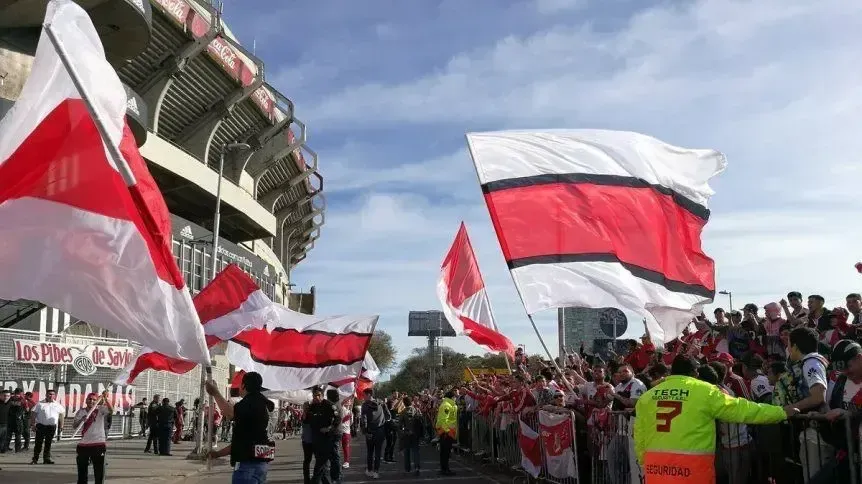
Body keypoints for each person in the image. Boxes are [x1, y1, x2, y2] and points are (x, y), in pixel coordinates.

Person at [633, 355, 798, 483]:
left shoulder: (647, 397)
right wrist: (780, 412)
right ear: (694, 373)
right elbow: (743, 409)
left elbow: (639, 435)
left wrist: (644, 464)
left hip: (656, 469)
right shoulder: (705, 391)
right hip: (693, 470)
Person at [206, 372, 274, 483]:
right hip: (260, 464)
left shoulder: (250, 402)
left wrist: (215, 392)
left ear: (243, 386)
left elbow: (230, 413)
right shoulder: (263, 403)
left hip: (247, 467)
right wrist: (218, 454)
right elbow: (244, 442)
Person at [74, 391, 113, 484]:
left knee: (99, 470)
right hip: (84, 444)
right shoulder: (81, 411)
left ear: (97, 401)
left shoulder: (100, 410)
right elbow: (75, 425)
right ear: (86, 400)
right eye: (90, 399)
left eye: (94, 400)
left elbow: (111, 410)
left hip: (98, 443)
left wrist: (106, 399)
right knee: (82, 470)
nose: (91, 401)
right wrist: (81, 420)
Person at [360, 388, 390, 478]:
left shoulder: (365, 405)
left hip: (370, 431)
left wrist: (365, 431)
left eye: (364, 395)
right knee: (378, 452)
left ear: (369, 395)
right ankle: (376, 472)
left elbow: (363, 420)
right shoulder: (381, 402)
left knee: (370, 452)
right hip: (380, 431)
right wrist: (382, 421)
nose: (363, 397)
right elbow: (388, 415)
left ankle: (369, 470)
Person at [31, 388, 64, 465]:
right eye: (49, 394)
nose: (51, 396)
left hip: (51, 427)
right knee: (38, 443)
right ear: (46, 395)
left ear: (55, 396)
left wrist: (61, 426)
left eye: (52, 394)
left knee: (48, 443)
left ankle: (46, 459)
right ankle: (35, 459)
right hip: (41, 426)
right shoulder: (40, 404)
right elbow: (33, 414)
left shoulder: (57, 405)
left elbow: (61, 415)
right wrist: (33, 424)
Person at [399, 396, 424, 475]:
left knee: (407, 452)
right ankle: (417, 468)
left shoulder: (403, 412)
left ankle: (407, 468)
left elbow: (400, 425)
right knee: (416, 451)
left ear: (404, 403)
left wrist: (403, 432)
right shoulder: (416, 410)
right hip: (415, 434)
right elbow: (421, 420)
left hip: (407, 434)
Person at [435, 389, 458, 476]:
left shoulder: (448, 404)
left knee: (445, 452)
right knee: (446, 452)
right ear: (452, 397)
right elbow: (443, 420)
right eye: (455, 397)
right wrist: (447, 431)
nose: (456, 398)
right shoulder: (446, 405)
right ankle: (445, 469)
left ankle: (444, 468)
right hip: (446, 432)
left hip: (447, 431)